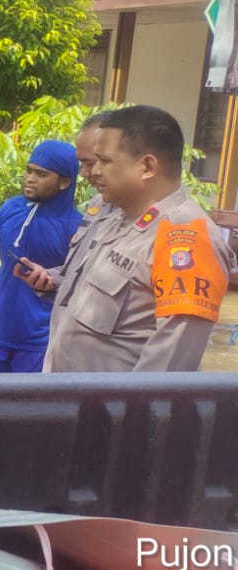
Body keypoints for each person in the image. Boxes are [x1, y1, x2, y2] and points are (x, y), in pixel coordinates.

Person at [23, 106, 229, 373]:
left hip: (116, 412)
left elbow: (169, 368)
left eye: (104, 161)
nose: (92, 172)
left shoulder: (184, 236)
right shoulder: (115, 218)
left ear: (147, 166)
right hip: (72, 402)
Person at [0, 141, 81, 374]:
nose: (30, 178)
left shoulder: (75, 226)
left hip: (39, 342)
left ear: (65, 182)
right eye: (29, 170)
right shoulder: (9, 209)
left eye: (41, 174)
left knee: (25, 408)